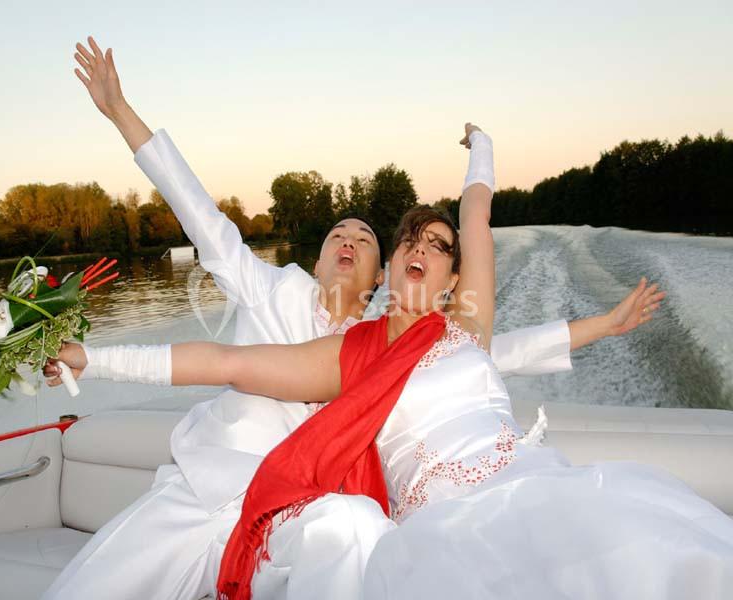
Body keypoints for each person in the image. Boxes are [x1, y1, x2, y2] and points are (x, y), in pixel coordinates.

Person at [43, 39, 665, 600]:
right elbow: (204, 251)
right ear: (314, 261)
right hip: (213, 488)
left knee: (353, 531)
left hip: (306, 517)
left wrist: (603, 325)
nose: (347, 238)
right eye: (337, 233)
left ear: (379, 277)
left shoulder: (393, 340)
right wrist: (121, 112)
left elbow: (499, 349)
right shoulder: (269, 291)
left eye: (364, 237)